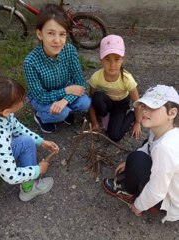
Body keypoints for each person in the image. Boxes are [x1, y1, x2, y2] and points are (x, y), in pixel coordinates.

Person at [102, 84, 179, 223]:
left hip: (169, 199)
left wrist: (139, 206)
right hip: (169, 184)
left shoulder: (166, 148)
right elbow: (149, 145)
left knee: (137, 159)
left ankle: (129, 191)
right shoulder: (163, 129)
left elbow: (157, 191)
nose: (144, 111)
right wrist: (129, 163)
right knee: (141, 151)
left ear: (172, 113)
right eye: (143, 106)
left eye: (153, 107)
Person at [24, 4, 91, 133]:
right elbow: (40, 96)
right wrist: (67, 90)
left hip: (66, 92)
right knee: (61, 114)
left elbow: (81, 83)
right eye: (50, 33)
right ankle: (41, 117)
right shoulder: (30, 62)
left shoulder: (70, 50)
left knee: (85, 103)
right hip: (43, 98)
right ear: (40, 34)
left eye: (62, 34)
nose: (57, 40)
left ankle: (66, 109)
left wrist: (65, 100)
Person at [0, 76, 59, 201]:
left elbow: (17, 128)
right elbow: (11, 176)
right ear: (5, 111)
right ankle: (29, 189)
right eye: (20, 101)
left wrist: (41, 141)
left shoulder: (4, 114)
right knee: (26, 143)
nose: (23, 102)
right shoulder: (1, 138)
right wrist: (37, 170)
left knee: (25, 140)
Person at [88, 34, 141, 141]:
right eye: (107, 59)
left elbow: (137, 102)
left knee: (114, 136)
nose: (112, 64)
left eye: (117, 59)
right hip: (108, 101)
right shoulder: (96, 77)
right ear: (101, 60)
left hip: (121, 104)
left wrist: (138, 122)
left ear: (123, 59)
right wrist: (93, 121)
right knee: (97, 97)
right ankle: (105, 115)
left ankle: (131, 115)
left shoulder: (127, 79)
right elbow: (91, 100)